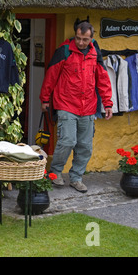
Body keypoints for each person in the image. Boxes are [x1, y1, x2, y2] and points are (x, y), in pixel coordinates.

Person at [39, 22, 113, 193]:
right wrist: (45, 99)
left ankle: (76, 178)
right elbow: (51, 75)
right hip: (66, 104)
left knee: (85, 146)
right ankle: (56, 172)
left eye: (85, 39)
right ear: (75, 35)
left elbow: (103, 79)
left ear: (91, 38)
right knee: (68, 141)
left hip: (88, 106)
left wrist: (108, 103)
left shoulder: (95, 53)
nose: (81, 42)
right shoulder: (64, 51)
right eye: (78, 38)